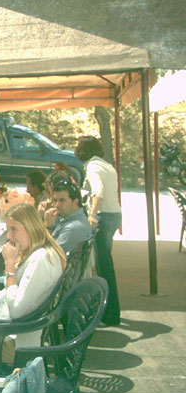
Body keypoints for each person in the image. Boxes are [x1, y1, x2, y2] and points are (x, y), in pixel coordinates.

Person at [0, 203, 66, 350]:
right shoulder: (40, 253)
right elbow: (24, 292)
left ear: (31, 227)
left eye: (14, 229)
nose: (8, 236)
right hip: (2, 329)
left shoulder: (41, 260)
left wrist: (9, 265)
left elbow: (17, 310)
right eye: (8, 229)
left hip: (8, 338)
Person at [75, 136, 122, 326]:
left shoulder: (92, 167)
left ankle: (110, 314)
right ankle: (111, 311)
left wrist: (92, 214)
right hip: (115, 214)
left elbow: (98, 191)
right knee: (105, 266)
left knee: (104, 268)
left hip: (103, 216)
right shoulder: (107, 166)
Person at [44, 180, 92, 253]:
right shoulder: (70, 218)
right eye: (55, 200)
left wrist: (47, 227)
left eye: (62, 200)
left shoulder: (73, 228)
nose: (57, 205)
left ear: (75, 202)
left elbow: (48, 255)